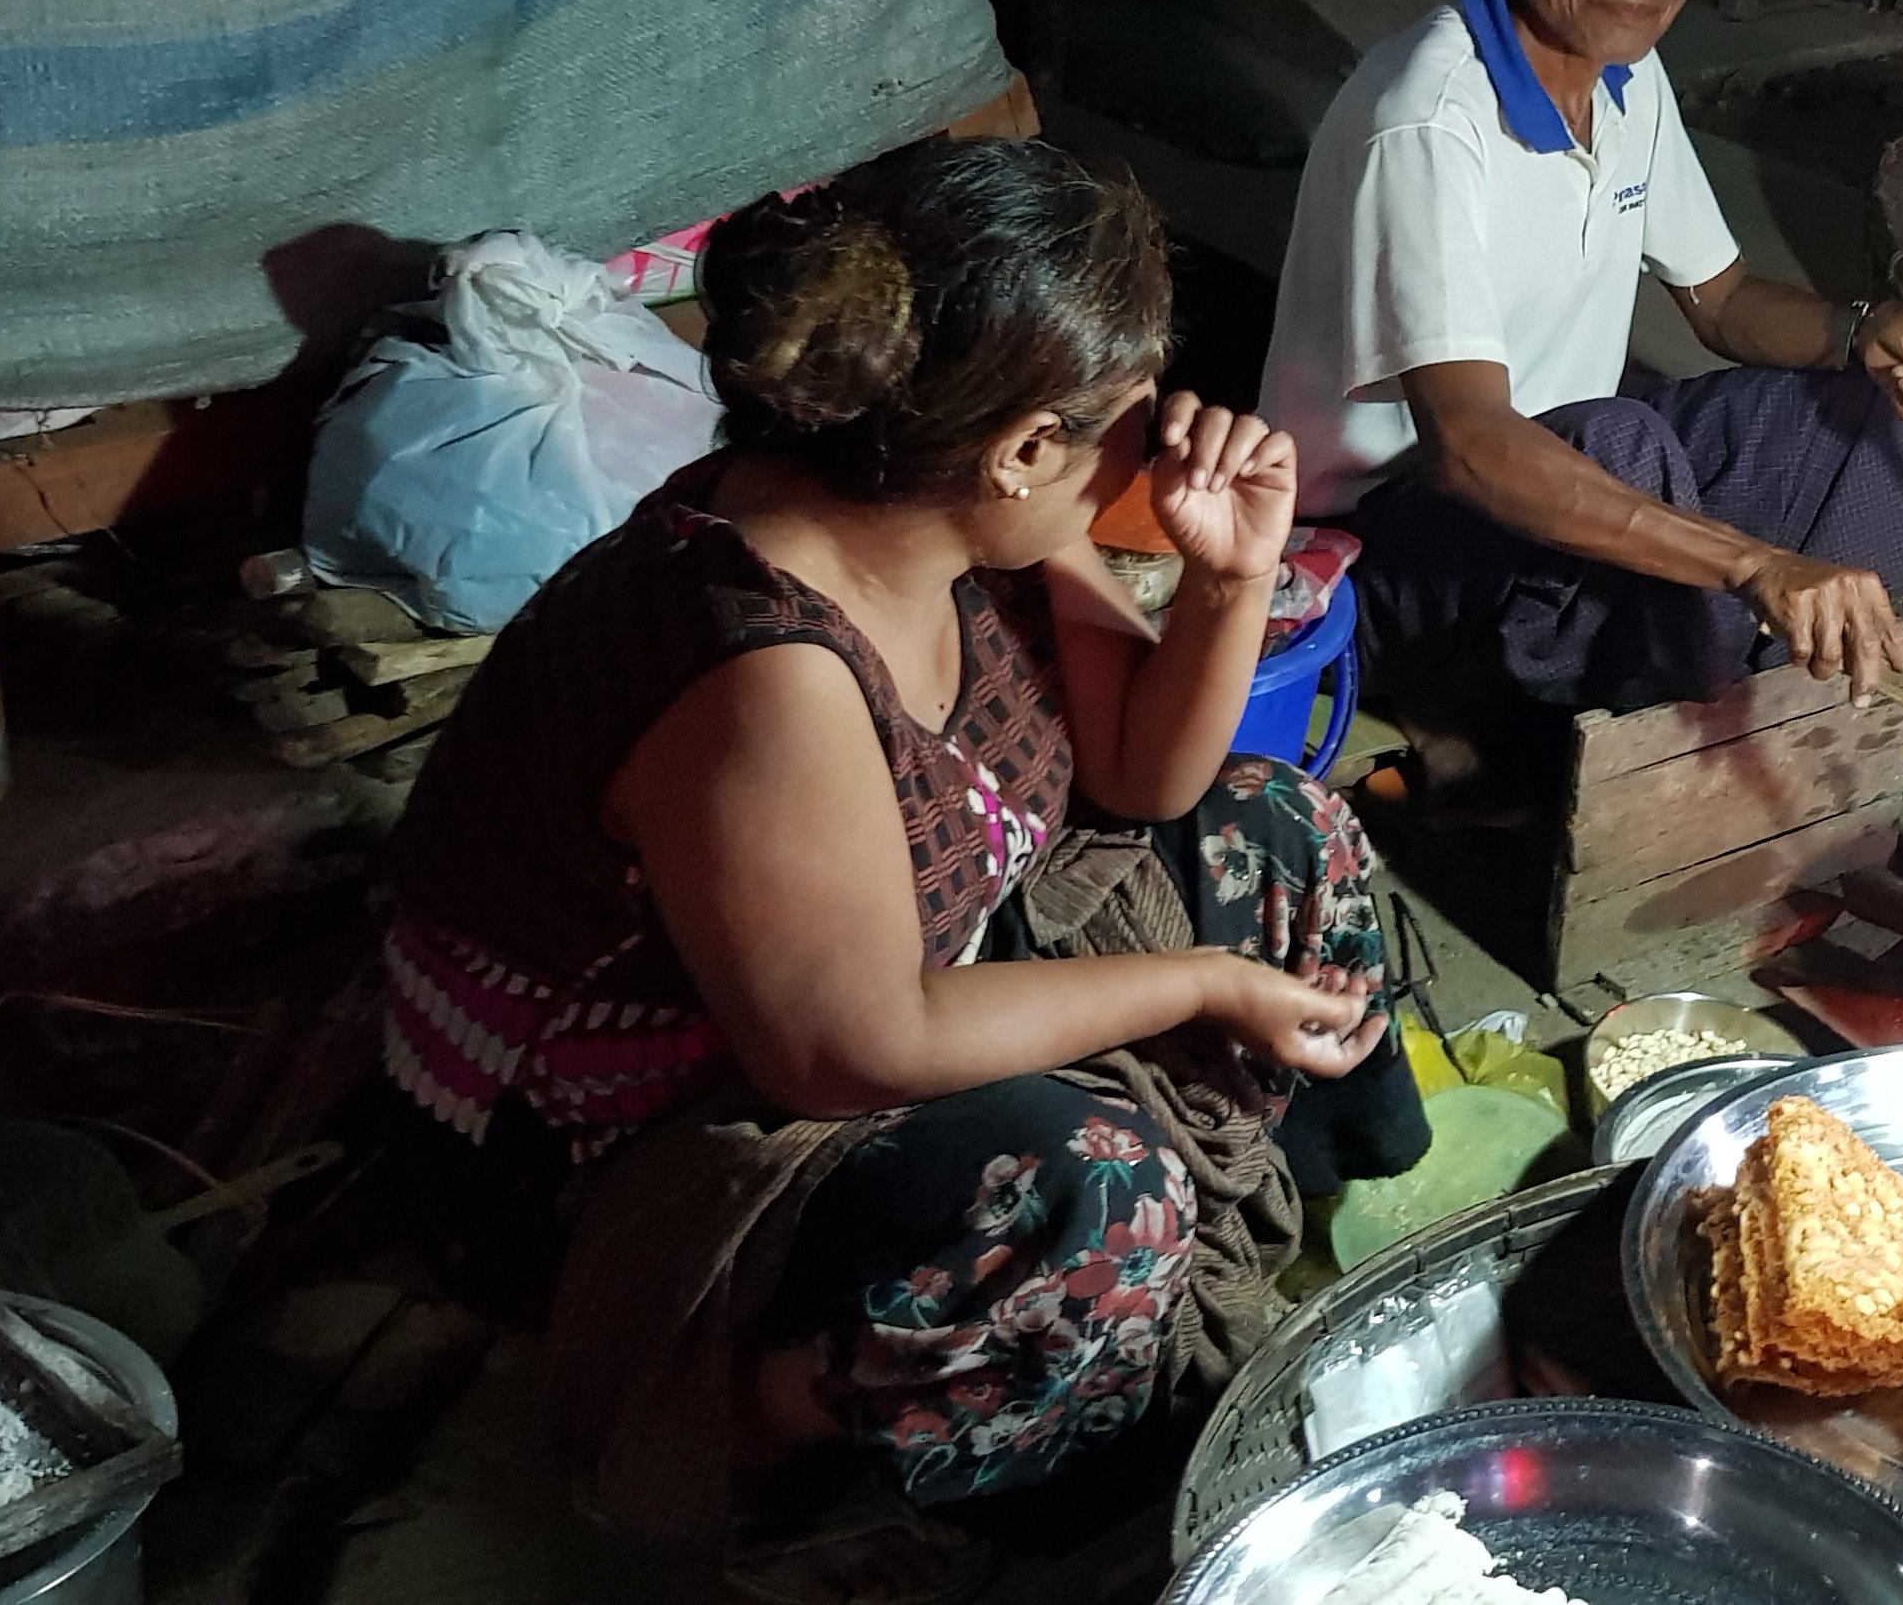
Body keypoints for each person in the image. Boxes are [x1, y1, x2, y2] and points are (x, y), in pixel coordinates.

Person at [375, 139, 1393, 1600]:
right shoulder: (760, 670)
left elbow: (1143, 779)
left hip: (897, 965)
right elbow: (854, 1048)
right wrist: (1200, 983)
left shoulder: (951, 511)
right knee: (1094, 1194)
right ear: (1023, 446)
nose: (1153, 448)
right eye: (1123, 419)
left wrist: (1233, 575)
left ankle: (1213, 1259)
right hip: (635, 1136)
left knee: (1282, 825)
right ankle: (755, 1429)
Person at [1257, 0, 1903, 787]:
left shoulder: (1626, 79)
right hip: (1380, 560)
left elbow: (1723, 299)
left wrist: (1866, 331)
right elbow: (1469, 446)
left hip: (1555, 517)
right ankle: (1689, 751)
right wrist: (1752, 562)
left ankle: (1848, 666)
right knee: (1625, 441)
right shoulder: (1430, 117)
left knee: (1840, 407)